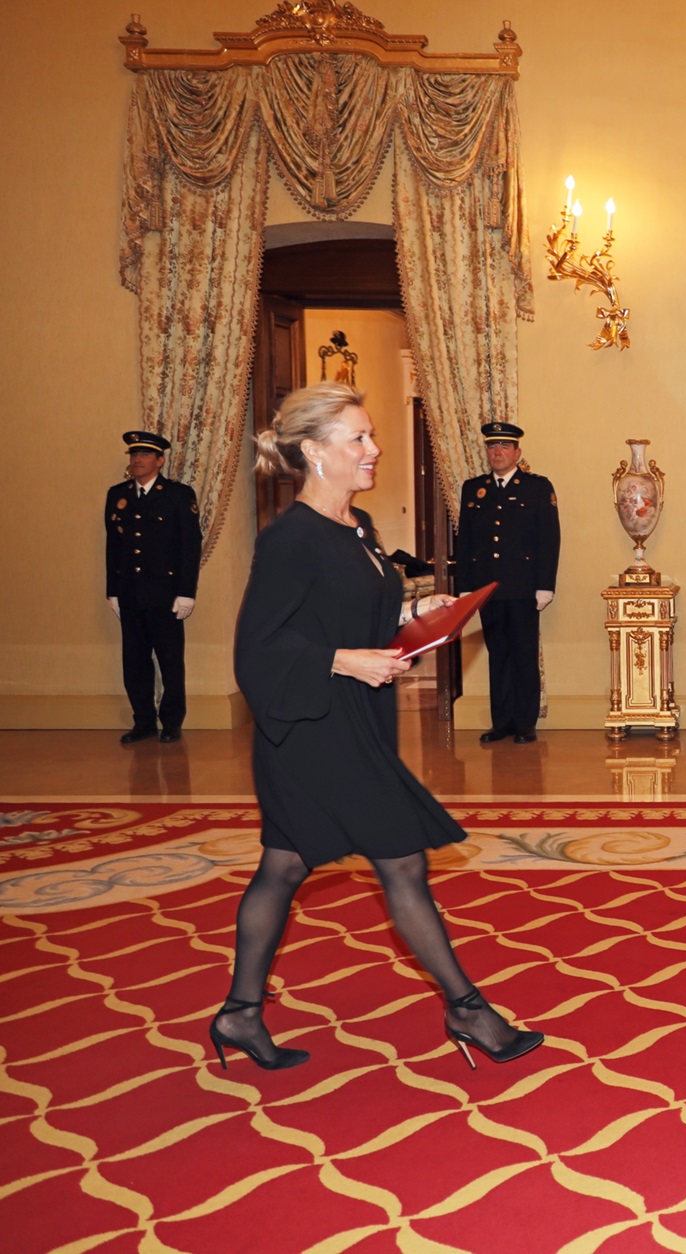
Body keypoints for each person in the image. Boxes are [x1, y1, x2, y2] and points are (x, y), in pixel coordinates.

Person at [219, 382, 543, 1073]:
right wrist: (340, 661)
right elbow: (256, 651)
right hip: (312, 730)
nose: (375, 448)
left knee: (283, 866)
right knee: (401, 859)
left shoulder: (356, 529)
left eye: (370, 435)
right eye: (358, 439)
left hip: (349, 719)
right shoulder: (289, 541)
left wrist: (421, 617)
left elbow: (351, 616)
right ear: (312, 452)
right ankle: (467, 1009)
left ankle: (240, 1014)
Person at [456, 422, 560, 744]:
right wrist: (466, 587)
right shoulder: (473, 489)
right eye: (491, 447)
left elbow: (549, 538)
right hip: (487, 588)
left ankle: (525, 723)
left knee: (524, 654)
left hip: (523, 587)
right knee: (497, 653)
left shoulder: (537, 488)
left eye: (503, 447)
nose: (497, 452)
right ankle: (501, 722)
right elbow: (466, 542)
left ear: (517, 452)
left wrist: (545, 585)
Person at [104, 431, 201, 744]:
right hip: (130, 593)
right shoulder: (117, 494)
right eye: (134, 455)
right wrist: (113, 590)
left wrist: (187, 592)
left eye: (145, 455)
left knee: (170, 660)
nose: (137, 460)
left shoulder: (178, 494)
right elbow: (113, 545)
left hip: (165, 594)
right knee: (134, 662)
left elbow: (190, 547)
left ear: (160, 460)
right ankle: (143, 721)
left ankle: (171, 722)